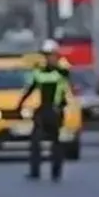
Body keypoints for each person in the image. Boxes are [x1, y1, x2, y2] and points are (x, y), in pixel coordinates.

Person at [16, 39, 71, 181]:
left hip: (56, 110)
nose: (49, 58)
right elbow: (30, 89)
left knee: (56, 142)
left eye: (51, 55)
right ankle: (35, 171)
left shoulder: (62, 71)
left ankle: (56, 172)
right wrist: (19, 105)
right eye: (46, 55)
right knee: (35, 141)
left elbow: (65, 81)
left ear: (56, 55)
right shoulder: (39, 72)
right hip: (43, 109)